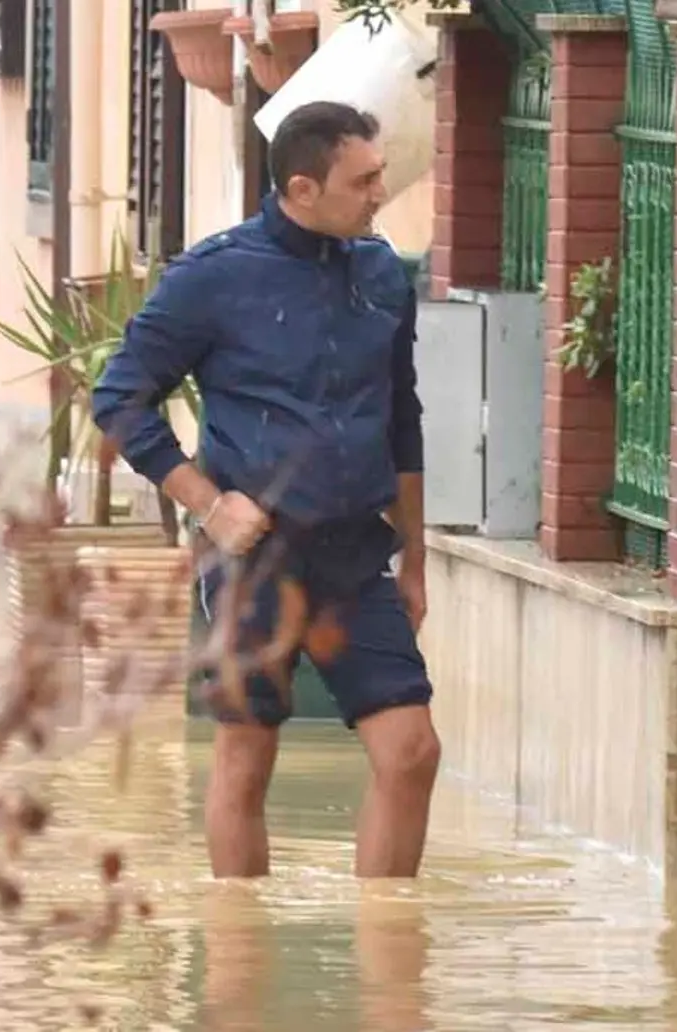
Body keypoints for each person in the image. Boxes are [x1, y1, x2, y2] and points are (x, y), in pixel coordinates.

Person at [90, 100, 441, 879]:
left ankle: (387, 975)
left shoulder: (381, 273)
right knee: (247, 759)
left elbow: (403, 416)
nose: (380, 192)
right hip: (252, 561)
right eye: (364, 179)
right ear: (303, 189)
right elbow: (118, 398)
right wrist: (208, 503)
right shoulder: (213, 278)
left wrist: (415, 559)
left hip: (355, 556)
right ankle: (236, 975)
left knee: (412, 753)